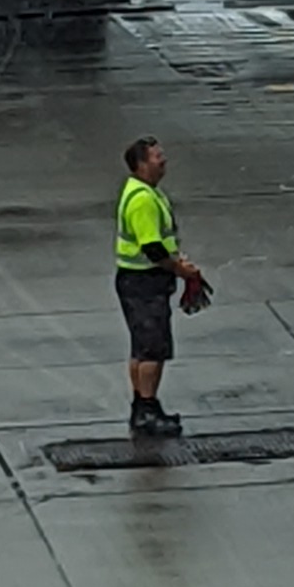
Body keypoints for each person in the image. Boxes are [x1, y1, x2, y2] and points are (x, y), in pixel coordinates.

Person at [114, 134, 207, 435]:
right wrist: (180, 269)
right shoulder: (143, 199)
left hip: (136, 280)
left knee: (141, 348)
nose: (163, 159)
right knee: (153, 349)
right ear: (142, 164)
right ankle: (147, 410)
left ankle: (142, 408)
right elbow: (152, 247)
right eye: (157, 156)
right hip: (144, 282)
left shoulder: (144, 191)